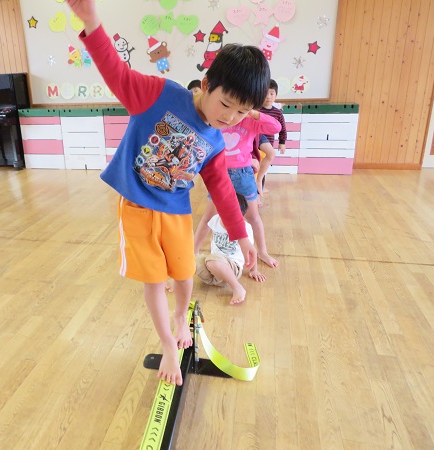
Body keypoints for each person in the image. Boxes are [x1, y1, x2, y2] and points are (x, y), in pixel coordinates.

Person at [66, 0, 270, 386]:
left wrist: (242, 236)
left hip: (176, 211)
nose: (230, 117)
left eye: (242, 113)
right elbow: (116, 72)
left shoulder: (215, 141)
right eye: (226, 104)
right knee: (154, 278)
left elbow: (222, 190)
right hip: (137, 207)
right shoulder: (159, 95)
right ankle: (168, 345)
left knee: (184, 272)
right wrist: (91, 22)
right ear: (206, 85)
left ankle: (180, 317)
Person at [193, 109, 281, 270]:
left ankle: (262, 252)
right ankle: (194, 251)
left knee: (253, 217)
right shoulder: (219, 118)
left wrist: (254, 113)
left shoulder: (250, 121)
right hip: (220, 173)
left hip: (243, 175)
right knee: (208, 217)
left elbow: (276, 127)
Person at [196, 193, 257, 305]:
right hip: (212, 273)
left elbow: (251, 251)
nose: (227, 221)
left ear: (241, 216)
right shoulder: (215, 220)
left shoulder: (246, 228)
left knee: (213, 261)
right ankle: (178, 282)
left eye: (232, 217)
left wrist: (254, 270)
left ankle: (237, 287)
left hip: (232, 268)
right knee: (192, 259)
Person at [256, 79, 287, 197]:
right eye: (265, 93)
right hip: (256, 143)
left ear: (276, 95)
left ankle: (260, 187)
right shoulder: (256, 110)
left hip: (268, 142)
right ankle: (255, 190)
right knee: (256, 165)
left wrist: (282, 142)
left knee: (264, 167)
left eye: (271, 93)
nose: (268, 96)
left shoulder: (277, 113)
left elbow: (282, 129)